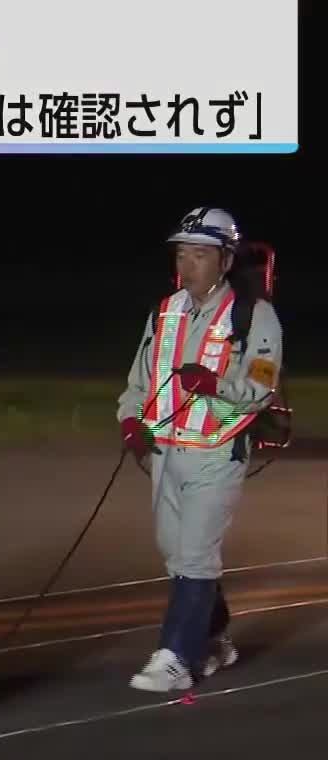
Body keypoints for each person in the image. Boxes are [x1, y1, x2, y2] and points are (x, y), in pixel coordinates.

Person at [117, 207, 283, 693]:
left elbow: (261, 387)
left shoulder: (254, 315)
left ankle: (175, 657)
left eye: (200, 255)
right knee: (178, 554)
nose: (187, 265)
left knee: (193, 556)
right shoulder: (164, 312)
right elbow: (139, 379)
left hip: (217, 451)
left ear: (225, 261)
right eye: (181, 254)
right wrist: (130, 420)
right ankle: (213, 638)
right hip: (164, 454)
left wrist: (216, 384)